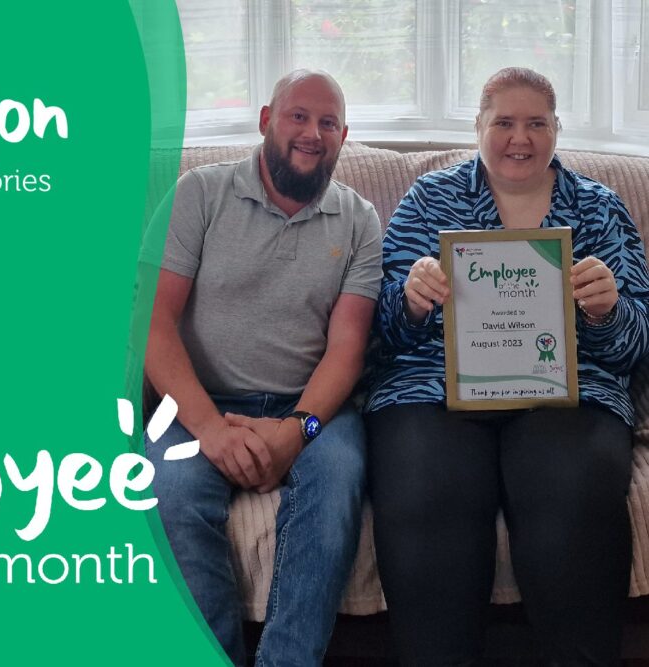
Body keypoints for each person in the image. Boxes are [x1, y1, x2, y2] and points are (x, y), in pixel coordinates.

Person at [365, 66, 649, 665]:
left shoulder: (599, 208)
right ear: (478, 126)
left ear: (556, 129)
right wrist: (410, 302)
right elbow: (379, 335)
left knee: (572, 492)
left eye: (537, 123)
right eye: (504, 123)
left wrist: (608, 313)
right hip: (433, 389)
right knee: (425, 488)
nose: (520, 138)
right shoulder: (430, 199)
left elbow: (636, 347)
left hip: (570, 391)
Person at [143, 69, 383, 666]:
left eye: (328, 123)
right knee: (168, 495)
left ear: (343, 135)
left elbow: (347, 349)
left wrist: (296, 430)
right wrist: (210, 429)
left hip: (314, 411)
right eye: (298, 116)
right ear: (266, 121)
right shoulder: (199, 193)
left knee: (337, 485)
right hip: (198, 403)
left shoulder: (359, 220)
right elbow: (152, 323)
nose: (312, 133)